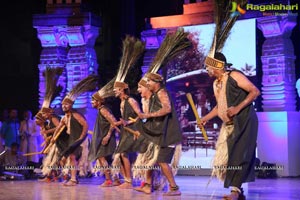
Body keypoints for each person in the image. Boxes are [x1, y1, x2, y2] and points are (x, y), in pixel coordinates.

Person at [201, 52, 260, 200]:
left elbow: (254, 91)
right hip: (229, 124)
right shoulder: (216, 83)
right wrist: (205, 118)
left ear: (217, 66)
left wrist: (237, 108)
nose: (206, 68)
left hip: (245, 120)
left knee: (239, 155)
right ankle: (238, 191)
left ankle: (235, 192)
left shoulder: (234, 75)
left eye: (208, 65)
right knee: (231, 157)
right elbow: (219, 106)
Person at [137, 73, 182, 196]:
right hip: (163, 134)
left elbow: (167, 109)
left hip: (169, 134)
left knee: (162, 161)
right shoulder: (155, 95)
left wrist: (148, 115)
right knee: (153, 160)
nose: (147, 84)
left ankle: (174, 188)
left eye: (149, 82)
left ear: (155, 82)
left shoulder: (162, 92)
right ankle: (148, 185)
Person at [88, 91, 119, 187]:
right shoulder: (101, 110)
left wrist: (108, 135)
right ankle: (115, 180)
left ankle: (109, 180)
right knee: (104, 158)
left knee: (101, 157)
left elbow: (113, 121)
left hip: (106, 138)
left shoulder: (103, 110)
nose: (91, 102)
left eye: (93, 100)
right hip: (103, 138)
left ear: (99, 102)